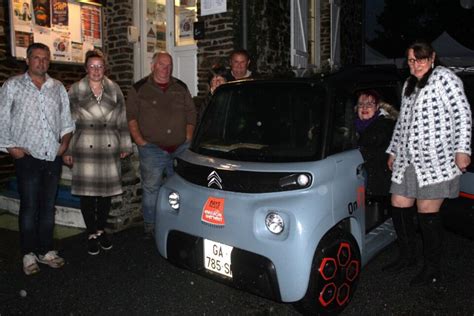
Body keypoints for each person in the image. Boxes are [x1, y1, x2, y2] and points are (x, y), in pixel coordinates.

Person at [386, 41, 472, 286]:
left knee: (427, 211)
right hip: (407, 158)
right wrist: (393, 150)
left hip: (437, 159)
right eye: (412, 61)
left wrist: (462, 149)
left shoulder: (445, 78)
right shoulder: (409, 85)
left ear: (432, 57)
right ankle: (408, 256)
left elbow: (462, 114)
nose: (416, 65)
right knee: (399, 203)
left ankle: (433, 269)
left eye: (420, 59)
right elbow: (402, 121)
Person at [0, 43, 75, 275]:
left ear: (49, 62)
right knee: (30, 206)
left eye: (45, 59)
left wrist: (64, 143)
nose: (41, 62)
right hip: (27, 157)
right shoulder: (13, 86)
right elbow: (1, 118)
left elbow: (66, 120)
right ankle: (28, 253)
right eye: (36, 58)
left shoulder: (58, 87)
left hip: (52, 156)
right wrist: (11, 148)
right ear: (27, 60)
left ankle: (45, 251)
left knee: (47, 206)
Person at [63, 49, 132, 255]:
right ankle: (91, 232)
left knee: (105, 194)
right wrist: (67, 148)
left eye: (100, 66)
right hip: (84, 146)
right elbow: (66, 123)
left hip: (109, 144)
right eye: (92, 66)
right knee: (87, 195)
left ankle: (101, 229)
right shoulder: (75, 90)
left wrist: (125, 145)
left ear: (105, 68)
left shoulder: (114, 89)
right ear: (86, 68)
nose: (96, 70)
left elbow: (122, 119)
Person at [126, 51, 196, 238]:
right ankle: (150, 225)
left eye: (169, 66)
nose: (166, 69)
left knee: (182, 187)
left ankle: (179, 222)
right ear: (153, 66)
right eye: (162, 65)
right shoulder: (139, 89)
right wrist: (140, 141)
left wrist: (188, 137)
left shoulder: (180, 87)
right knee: (151, 188)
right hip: (152, 149)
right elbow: (131, 118)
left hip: (180, 148)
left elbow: (191, 114)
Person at [355, 90, 396, 208]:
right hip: (363, 181)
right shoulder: (353, 126)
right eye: (361, 104)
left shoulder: (383, 125)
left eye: (369, 104)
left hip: (380, 187)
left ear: (377, 107)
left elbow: (370, 148)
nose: (364, 107)